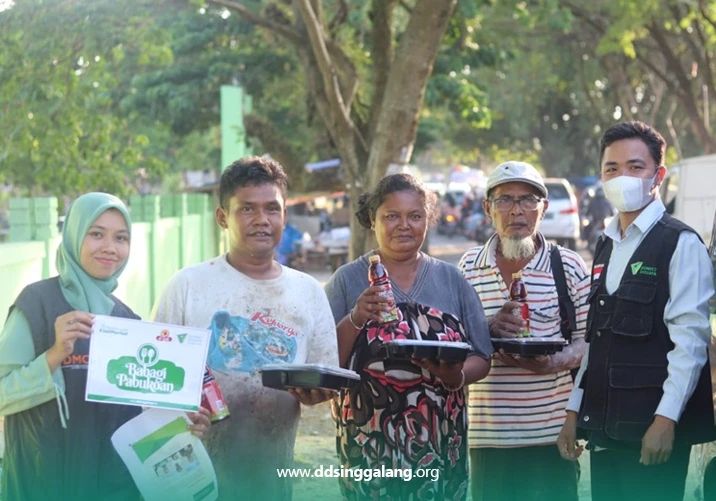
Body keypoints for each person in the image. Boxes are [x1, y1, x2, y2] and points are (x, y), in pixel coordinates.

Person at [0, 193, 210, 501]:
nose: (110, 247)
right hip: (43, 481)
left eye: (121, 238)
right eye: (97, 234)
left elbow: (139, 419)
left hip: (112, 486)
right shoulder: (37, 304)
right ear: (74, 235)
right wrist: (55, 355)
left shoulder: (127, 322)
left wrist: (182, 425)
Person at [153, 156, 339, 501]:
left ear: (284, 214)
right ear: (222, 217)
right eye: (247, 209)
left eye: (272, 208)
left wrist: (316, 392)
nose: (262, 220)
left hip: (273, 479)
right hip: (195, 479)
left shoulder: (308, 292)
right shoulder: (187, 286)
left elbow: (324, 376)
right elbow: (154, 384)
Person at [557, 121, 715, 501]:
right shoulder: (606, 245)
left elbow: (690, 342)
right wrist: (574, 410)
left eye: (635, 167)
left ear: (658, 175)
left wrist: (666, 419)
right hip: (606, 427)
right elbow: (595, 338)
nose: (622, 177)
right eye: (612, 168)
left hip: (651, 430)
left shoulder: (680, 243)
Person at [324, 173, 493, 500]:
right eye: (392, 216)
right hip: (368, 445)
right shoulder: (347, 280)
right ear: (372, 219)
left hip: (442, 445)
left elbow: (482, 356)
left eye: (415, 216)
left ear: (428, 220)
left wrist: (456, 377)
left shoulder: (453, 280)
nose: (404, 225)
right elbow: (328, 364)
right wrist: (356, 317)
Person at [458, 161, 590, 501]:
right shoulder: (468, 268)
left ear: (542, 208)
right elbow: (455, 340)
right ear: (487, 208)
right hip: (488, 438)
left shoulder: (568, 266)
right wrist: (488, 328)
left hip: (552, 435)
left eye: (528, 199)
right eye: (505, 199)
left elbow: (589, 343)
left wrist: (552, 362)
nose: (516, 210)